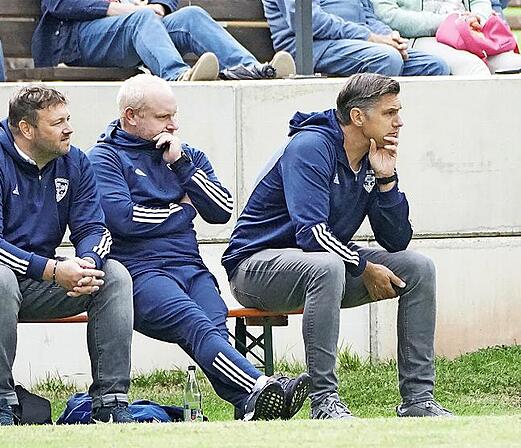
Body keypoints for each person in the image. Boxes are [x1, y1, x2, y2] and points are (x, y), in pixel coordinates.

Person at [222, 73, 452, 419]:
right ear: (358, 117)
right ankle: (324, 401)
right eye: (390, 113)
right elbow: (311, 234)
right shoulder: (311, 147)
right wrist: (362, 267)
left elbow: (396, 240)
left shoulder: (371, 156)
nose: (399, 122)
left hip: (320, 267)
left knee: (418, 268)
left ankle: (418, 400)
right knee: (327, 266)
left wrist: (386, 179)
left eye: (398, 112)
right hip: (254, 270)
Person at [88, 74, 312, 421]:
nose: (173, 125)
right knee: (196, 324)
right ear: (131, 116)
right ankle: (262, 385)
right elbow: (124, 219)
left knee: (214, 326)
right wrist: (183, 210)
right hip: (140, 274)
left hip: (191, 268)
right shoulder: (103, 158)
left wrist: (182, 167)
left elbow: (221, 209)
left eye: (174, 115)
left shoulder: (186, 155)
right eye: (163, 117)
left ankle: (249, 408)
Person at [0, 85, 135, 425]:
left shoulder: (75, 161)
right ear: (26, 129)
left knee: (113, 276)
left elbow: (95, 229)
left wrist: (88, 264)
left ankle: (110, 403)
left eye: (68, 119)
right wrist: (53, 270)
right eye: (57, 123)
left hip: (26, 277)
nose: (69, 129)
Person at [32, 0, 297, 81]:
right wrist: (123, 9)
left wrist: (159, 6)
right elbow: (57, 3)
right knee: (141, 19)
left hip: (140, 27)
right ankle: (177, 76)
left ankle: (253, 70)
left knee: (191, 16)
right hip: (78, 38)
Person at [262, 0, 450, 76]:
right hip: (311, 47)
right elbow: (309, 21)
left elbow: (367, 16)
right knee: (387, 59)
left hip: (359, 42)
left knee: (435, 66)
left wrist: (389, 36)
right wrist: (369, 37)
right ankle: (373, 140)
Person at [372, 0, 521, 74]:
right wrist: (448, 21)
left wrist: (477, 18)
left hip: (471, 34)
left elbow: (480, 2)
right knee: (472, 67)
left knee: (515, 63)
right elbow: (388, 15)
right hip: (422, 36)